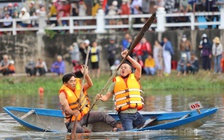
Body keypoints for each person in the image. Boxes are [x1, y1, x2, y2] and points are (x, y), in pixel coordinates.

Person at [58, 66, 121, 133]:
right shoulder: (63, 94)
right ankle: (84, 131)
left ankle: (117, 126)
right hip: (72, 120)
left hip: (84, 116)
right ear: (65, 83)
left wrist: (86, 75)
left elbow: (90, 84)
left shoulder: (79, 87)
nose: (74, 83)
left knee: (102, 115)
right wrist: (73, 112)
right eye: (71, 81)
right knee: (78, 130)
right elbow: (67, 109)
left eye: (74, 81)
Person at [96, 49, 145, 131]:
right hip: (124, 115)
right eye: (121, 68)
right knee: (128, 134)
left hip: (136, 113)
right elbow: (106, 97)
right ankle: (117, 130)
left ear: (130, 71)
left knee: (143, 124)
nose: (123, 69)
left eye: (125, 67)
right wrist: (101, 97)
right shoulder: (115, 83)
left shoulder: (135, 78)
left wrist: (127, 57)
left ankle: (122, 129)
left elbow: (139, 67)